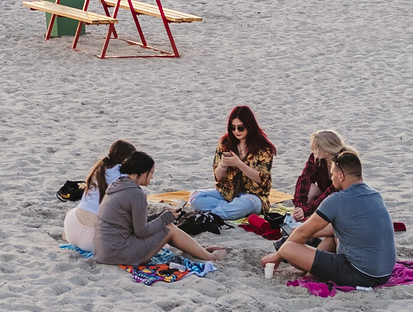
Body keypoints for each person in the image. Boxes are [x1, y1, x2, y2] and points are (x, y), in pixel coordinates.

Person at [262, 148, 394, 288]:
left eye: (332, 174)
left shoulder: (337, 200)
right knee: (332, 236)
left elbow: (303, 233)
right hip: (384, 273)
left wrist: (277, 256)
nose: (332, 178)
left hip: (359, 274)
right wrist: (303, 231)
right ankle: (309, 271)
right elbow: (331, 229)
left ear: (341, 176)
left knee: (288, 248)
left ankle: (308, 271)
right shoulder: (375, 195)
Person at [96, 151, 225, 266]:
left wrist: (161, 216)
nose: (152, 177)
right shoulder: (135, 194)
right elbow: (141, 232)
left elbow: (134, 223)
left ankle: (199, 250)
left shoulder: (118, 185)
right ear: (141, 173)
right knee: (169, 228)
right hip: (118, 254)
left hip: (104, 252)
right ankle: (210, 257)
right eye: (151, 173)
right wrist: (164, 218)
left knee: (166, 224)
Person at [189, 105, 276, 220]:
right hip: (226, 194)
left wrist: (239, 163)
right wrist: (223, 165)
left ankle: (214, 213)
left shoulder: (263, 148)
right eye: (232, 127)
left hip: (253, 196)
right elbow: (218, 177)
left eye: (240, 128)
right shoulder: (225, 143)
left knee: (245, 204)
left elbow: (262, 179)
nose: (236, 131)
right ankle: (224, 210)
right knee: (195, 197)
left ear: (249, 126)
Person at [63, 139, 136, 252]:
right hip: (91, 239)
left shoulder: (99, 170)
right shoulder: (123, 176)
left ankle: (66, 236)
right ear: (126, 160)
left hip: (71, 228)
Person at [291, 129, 349, 222]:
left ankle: (308, 217)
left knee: (332, 197)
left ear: (326, 150)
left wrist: (306, 210)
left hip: (342, 198)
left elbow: (331, 191)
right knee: (310, 187)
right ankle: (300, 217)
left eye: (315, 147)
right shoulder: (317, 158)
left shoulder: (343, 162)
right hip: (325, 194)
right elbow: (305, 177)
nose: (312, 149)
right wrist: (299, 206)